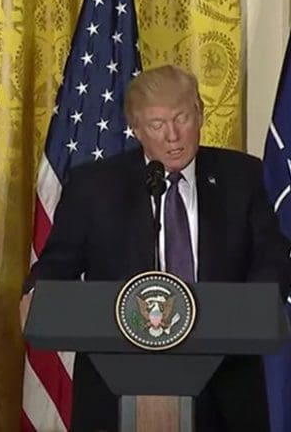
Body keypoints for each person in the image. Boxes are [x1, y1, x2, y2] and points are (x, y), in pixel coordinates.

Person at [20, 65, 291, 431]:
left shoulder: (241, 176)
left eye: (182, 118)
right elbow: (59, 262)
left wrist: (250, 310)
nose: (173, 136)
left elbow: (271, 257)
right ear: (135, 128)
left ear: (200, 114)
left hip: (226, 383)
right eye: (157, 124)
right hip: (115, 387)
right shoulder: (94, 186)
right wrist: (36, 292)